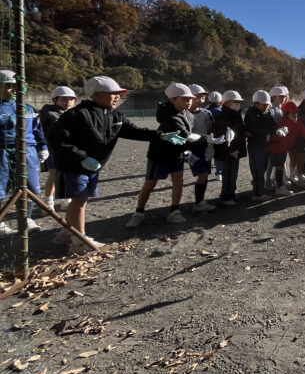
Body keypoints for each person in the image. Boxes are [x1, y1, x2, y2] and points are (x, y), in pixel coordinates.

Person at [47, 76, 186, 252]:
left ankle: (68, 232)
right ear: (96, 95)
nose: (117, 97)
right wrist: (81, 157)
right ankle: (79, 241)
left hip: (94, 166)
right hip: (74, 166)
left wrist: (161, 136)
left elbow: (135, 131)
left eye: (118, 94)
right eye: (112, 93)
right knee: (79, 201)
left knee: (81, 199)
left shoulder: (115, 116)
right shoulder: (77, 114)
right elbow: (57, 141)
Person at [128, 84, 203, 228]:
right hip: (160, 154)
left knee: (178, 181)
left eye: (190, 99)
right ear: (172, 100)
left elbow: (186, 137)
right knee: (150, 183)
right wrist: (203, 140)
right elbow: (185, 134)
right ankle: (138, 212)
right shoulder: (169, 115)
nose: (189, 101)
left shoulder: (189, 115)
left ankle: (174, 211)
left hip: (177, 153)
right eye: (184, 99)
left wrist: (186, 151)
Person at [0, 70, 49, 237]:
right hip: (3, 151)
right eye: (9, 86)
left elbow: (37, 129)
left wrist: (43, 146)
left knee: (31, 186)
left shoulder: (28, 108)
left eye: (17, 86)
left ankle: (26, 218)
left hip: (28, 150)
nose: (14, 89)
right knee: (1, 187)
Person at [269, 101, 305, 196]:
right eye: (293, 113)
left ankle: (278, 185)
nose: (296, 114)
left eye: (297, 112)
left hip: (284, 149)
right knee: (278, 167)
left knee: (278, 167)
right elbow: (272, 137)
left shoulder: (297, 123)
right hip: (276, 148)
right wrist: (278, 134)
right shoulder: (280, 123)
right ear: (286, 114)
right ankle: (279, 187)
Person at [39, 86, 78, 212]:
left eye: (71, 99)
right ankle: (49, 202)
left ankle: (67, 200)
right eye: (64, 99)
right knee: (54, 176)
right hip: (53, 150)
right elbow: (40, 131)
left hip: (70, 150)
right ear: (55, 100)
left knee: (69, 175)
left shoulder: (75, 113)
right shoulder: (48, 113)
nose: (68, 101)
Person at [212, 90, 247, 205]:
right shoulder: (223, 117)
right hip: (228, 152)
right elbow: (224, 137)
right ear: (227, 102)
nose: (238, 104)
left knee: (233, 174)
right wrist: (232, 151)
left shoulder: (235, 115)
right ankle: (226, 196)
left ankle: (231, 194)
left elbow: (238, 132)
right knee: (228, 174)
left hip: (235, 151)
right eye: (236, 101)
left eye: (239, 101)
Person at [186, 84, 216, 213]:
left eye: (203, 96)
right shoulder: (185, 114)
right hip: (192, 150)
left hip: (205, 149)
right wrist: (186, 153)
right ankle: (199, 203)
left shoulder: (207, 113)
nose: (201, 98)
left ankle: (200, 201)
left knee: (205, 175)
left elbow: (211, 131)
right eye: (197, 96)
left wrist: (211, 146)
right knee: (202, 175)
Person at [245, 90, 278, 201]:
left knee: (262, 169)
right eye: (264, 105)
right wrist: (267, 132)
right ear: (256, 103)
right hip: (255, 146)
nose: (266, 106)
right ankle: (258, 194)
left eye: (268, 104)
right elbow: (252, 129)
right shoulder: (250, 114)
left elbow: (272, 124)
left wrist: (277, 130)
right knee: (258, 170)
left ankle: (259, 190)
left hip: (265, 145)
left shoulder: (267, 112)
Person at [206, 91, 224, 180]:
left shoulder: (205, 111)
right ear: (221, 101)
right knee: (218, 154)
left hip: (206, 135)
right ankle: (219, 173)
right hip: (218, 135)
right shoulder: (222, 111)